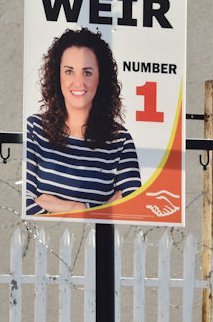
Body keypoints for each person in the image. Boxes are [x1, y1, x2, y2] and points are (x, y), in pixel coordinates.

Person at [26, 27, 141, 215]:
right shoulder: (35, 129)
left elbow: (129, 210)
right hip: (44, 242)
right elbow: (27, 206)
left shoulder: (120, 140)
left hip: (99, 244)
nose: (78, 83)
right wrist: (102, 209)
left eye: (87, 73)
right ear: (57, 76)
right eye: (69, 71)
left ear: (100, 78)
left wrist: (74, 208)